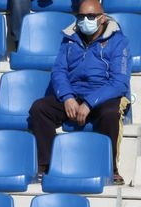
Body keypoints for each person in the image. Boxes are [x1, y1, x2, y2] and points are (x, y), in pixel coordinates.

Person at [27, 0, 131, 185]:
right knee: (39, 108)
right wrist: (67, 97)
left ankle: (109, 168)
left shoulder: (118, 41)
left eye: (90, 16)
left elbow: (119, 83)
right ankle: (47, 165)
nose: (85, 20)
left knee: (110, 114)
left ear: (102, 18)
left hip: (103, 95)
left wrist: (90, 102)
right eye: (81, 16)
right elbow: (59, 71)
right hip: (74, 94)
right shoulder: (70, 38)